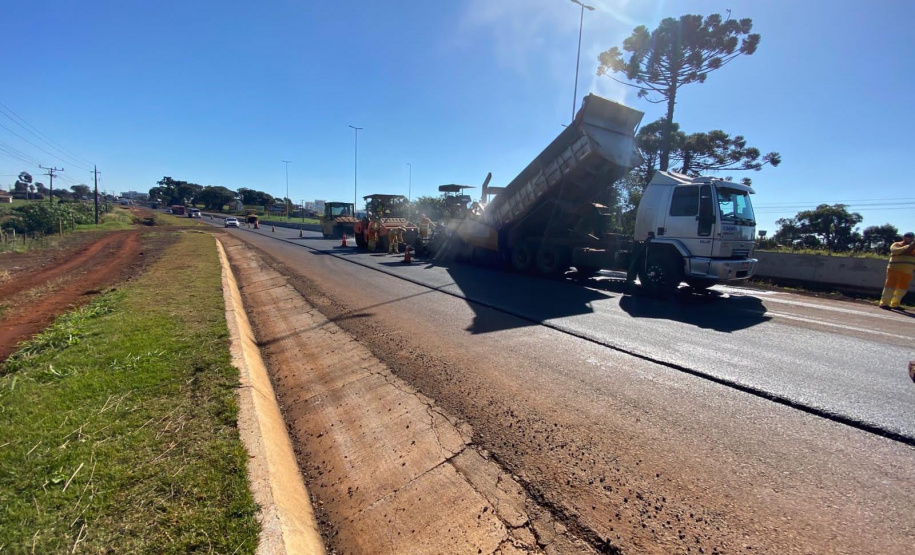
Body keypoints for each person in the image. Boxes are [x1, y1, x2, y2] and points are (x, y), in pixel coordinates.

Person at [879, 231, 915, 310]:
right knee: (890, 287)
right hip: (894, 269)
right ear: (903, 237)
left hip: (907, 272)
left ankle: (895, 304)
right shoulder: (897, 244)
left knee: (902, 289)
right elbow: (895, 251)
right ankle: (884, 303)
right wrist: (909, 246)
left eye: (910, 237)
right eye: (907, 236)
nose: (908, 238)